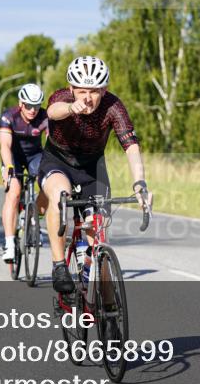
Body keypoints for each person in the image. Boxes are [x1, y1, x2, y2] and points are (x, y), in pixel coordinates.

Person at [38, 56, 151, 293]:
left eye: (94, 92)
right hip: (58, 161)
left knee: (99, 239)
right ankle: (59, 265)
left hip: (92, 169)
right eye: (81, 91)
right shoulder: (62, 98)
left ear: (104, 89)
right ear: (71, 89)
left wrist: (140, 183)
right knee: (60, 195)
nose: (87, 98)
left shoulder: (113, 106)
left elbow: (130, 144)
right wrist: (70, 108)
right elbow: (53, 111)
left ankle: (106, 308)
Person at [0, 83, 49, 262]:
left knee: (50, 185)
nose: (33, 110)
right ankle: (9, 243)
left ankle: (33, 218)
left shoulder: (45, 116)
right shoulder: (8, 116)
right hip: (13, 157)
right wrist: (9, 167)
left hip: (35, 156)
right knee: (14, 192)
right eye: (28, 105)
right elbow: (5, 145)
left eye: (37, 106)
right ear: (21, 103)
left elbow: (52, 143)